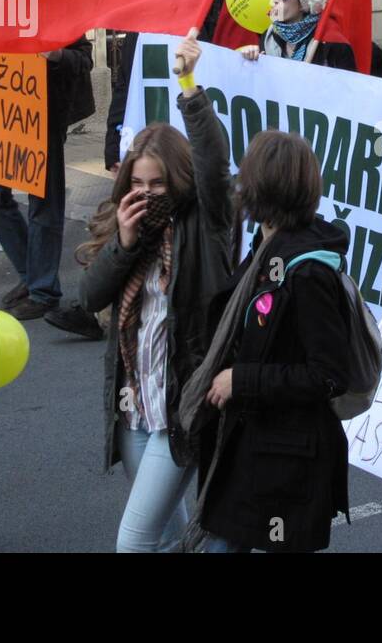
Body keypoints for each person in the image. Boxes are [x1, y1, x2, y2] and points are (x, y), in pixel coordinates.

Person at [77, 32, 235, 552]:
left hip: (179, 413)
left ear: (180, 182)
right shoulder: (128, 232)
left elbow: (213, 160)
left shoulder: (205, 222)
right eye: (137, 184)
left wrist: (188, 85)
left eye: (158, 185)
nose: (146, 195)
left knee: (134, 543)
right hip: (133, 410)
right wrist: (122, 244)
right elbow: (88, 297)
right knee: (166, 539)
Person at [184, 129, 351, 552]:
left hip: (286, 460)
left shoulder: (308, 270)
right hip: (255, 444)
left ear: (259, 185)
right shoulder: (267, 244)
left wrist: (242, 380)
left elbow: (329, 376)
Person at [0, 0, 97, 327]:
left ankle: (43, 291)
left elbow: (83, 58)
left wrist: (56, 56)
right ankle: (30, 274)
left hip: (44, 112)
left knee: (44, 203)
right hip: (2, 109)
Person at [240, 0, 354, 69]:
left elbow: (347, 88)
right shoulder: (269, 37)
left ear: (302, 4)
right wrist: (251, 59)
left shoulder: (332, 43)